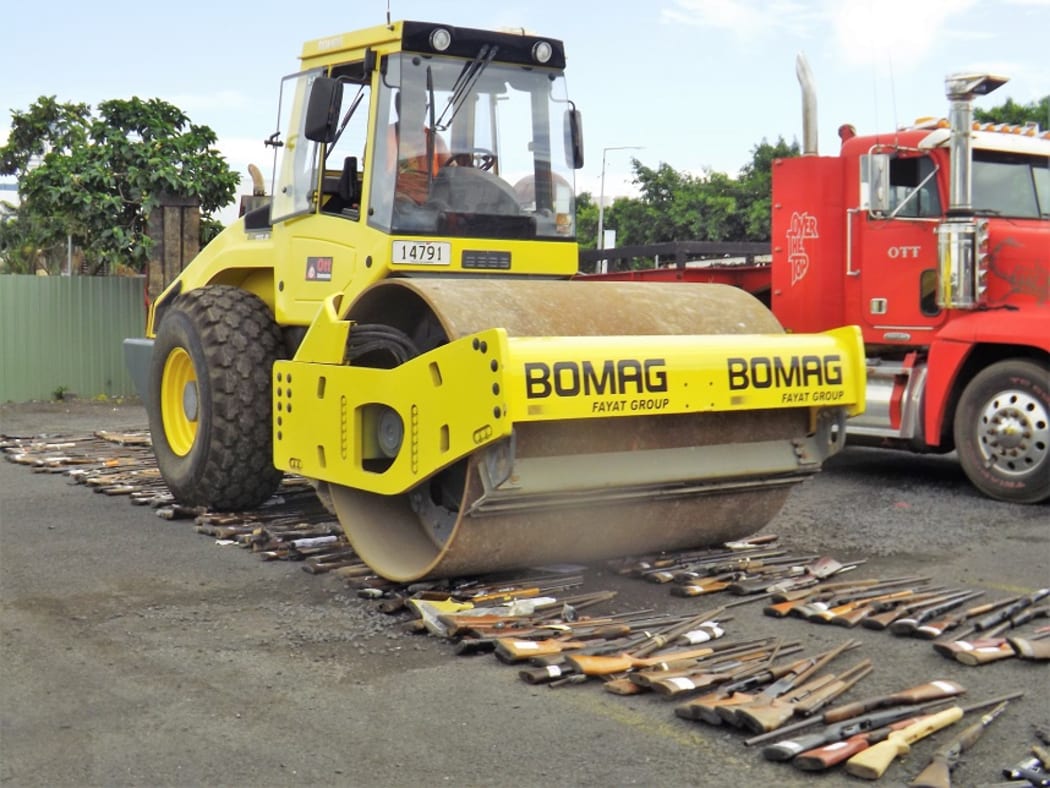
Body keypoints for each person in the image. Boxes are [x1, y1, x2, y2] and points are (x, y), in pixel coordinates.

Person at [387, 92, 448, 204]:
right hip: (392, 207)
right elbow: (375, 180)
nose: (417, 112)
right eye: (411, 107)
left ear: (426, 109)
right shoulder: (383, 137)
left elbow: (451, 173)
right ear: (399, 108)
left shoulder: (435, 139)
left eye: (420, 107)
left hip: (430, 205)